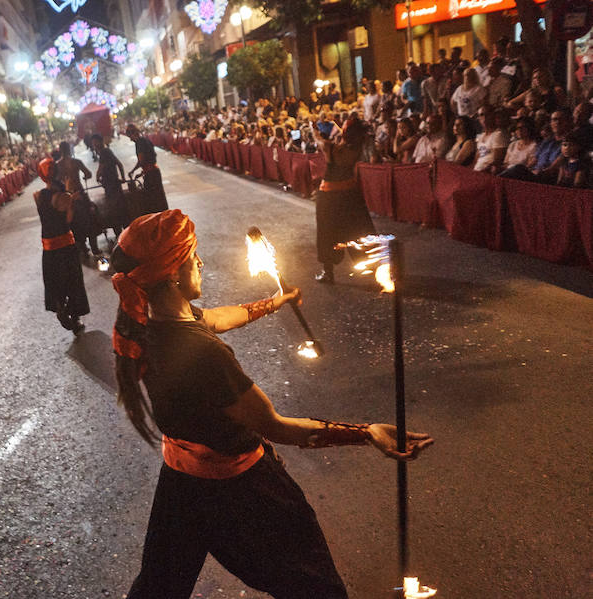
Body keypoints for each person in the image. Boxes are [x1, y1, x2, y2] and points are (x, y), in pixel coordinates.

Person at [110, 210, 433, 599]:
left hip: (181, 482)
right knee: (315, 586)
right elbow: (277, 426)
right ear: (173, 273)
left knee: (158, 588)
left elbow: (215, 317)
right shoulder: (203, 354)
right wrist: (365, 434)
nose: (201, 263)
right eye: (193, 257)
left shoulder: (149, 321)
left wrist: (273, 302)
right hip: (239, 493)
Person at [314, 118, 375, 283]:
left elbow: (319, 140)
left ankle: (328, 273)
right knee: (358, 231)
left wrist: (315, 128)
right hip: (350, 195)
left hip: (330, 197)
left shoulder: (331, 149)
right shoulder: (356, 150)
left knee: (327, 234)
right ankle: (371, 269)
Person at [33, 157, 89, 334]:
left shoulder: (38, 196)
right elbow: (68, 219)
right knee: (73, 281)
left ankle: (59, 306)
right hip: (65, 244)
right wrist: (72, 199)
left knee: (54, 281)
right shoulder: (63, 197)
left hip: (48, 248)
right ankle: (75, 317)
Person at [55, 141, 99, 255]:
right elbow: (88, 174)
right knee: (89, 217)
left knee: (74, 223)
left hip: (67, 196)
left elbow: (57, 181)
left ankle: (83, 248)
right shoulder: (76, 162)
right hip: (80, 193)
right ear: (69, 150)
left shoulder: (58, 165)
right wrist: (83, 177)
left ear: (60, 150)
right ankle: (94, 247)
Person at [126, 124, 168, 215]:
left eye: (130, 137)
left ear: (133, 134)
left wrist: (133, 171)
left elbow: (141, 160)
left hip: (150, 175)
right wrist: (141, 173)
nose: (130, 139)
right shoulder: (146, 140)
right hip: (155, 171)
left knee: (152, 199)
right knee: (159, 196)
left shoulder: (139, 143)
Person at [92, 134, 128, 235]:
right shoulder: (107, 151)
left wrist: (97, 176)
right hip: (114, 184)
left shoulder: (104, 152)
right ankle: (124, 230)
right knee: (120, 207)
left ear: (100, 141)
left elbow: (101, 167)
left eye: (95, 142)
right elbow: (119, 164)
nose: (94, 145)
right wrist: (123, 178)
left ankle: (119, 233)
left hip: (111, 185)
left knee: (114, 209)